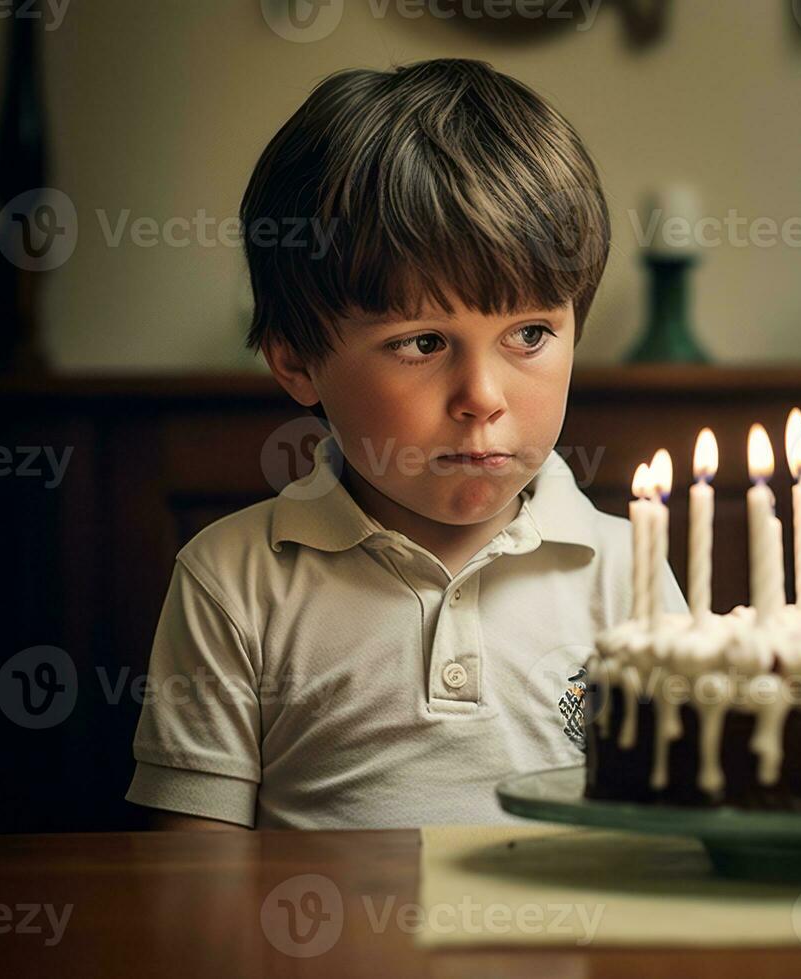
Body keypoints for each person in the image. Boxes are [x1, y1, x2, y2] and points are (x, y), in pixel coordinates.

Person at [125, 58, 687, 830]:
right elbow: (197, 880)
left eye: (528, 334)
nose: (482, 399)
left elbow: (678, 830)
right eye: (421, 342)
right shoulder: (236, 581)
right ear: (297, 362)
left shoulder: (630, 573)